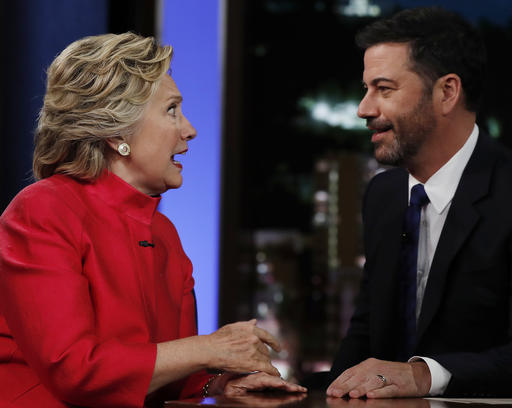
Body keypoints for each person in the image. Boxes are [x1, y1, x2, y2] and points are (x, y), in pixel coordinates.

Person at [0, 33, 306, 408]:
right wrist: (208, 348)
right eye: (172, 110)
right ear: (117, 132)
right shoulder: (41, 210)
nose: (189, 129)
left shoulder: (164, 233)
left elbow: (165, 378)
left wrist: (217, 385)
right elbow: (74, 371)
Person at [325, 7, 512, 398]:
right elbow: (364, 341)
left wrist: (424, 376)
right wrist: (286, 389)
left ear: (447, 92)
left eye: (384, 89)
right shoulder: (384, 195)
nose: (364, 109)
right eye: (366, 89)